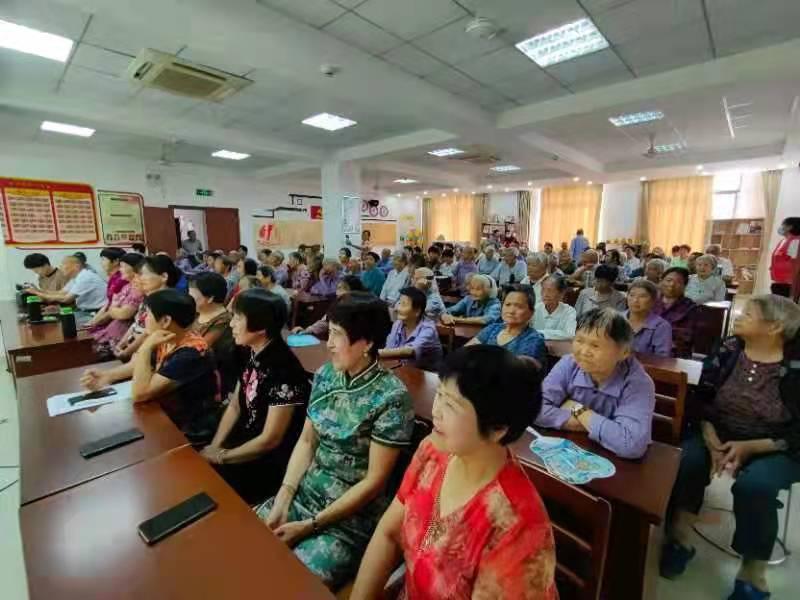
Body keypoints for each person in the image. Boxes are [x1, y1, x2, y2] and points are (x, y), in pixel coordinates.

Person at [351, 345, 558, 600]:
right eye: (439, 394)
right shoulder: (432, 450)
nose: (435, 411)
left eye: (451, 404)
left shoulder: (516, 524)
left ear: (497, 428)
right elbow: (388, 534)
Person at [254, 293, 414, 589]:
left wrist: (310, 526)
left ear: (366, 343)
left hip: (346, 521)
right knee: (243, 545)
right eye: (330, 332)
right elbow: (306, 443)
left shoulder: (391, 398)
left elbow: (375, 482)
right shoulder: (327, 376)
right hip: (304, 495)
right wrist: (284, 496)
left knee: (286, 583)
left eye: (337, 335)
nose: (328, 343)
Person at [660, 295, 800, 600]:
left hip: (777, 444)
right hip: (718, 429)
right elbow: (702, 394)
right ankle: (681, 537)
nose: (737, 316)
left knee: (756, 486)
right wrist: (709, 435)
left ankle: (753, 573)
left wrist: (753, 447)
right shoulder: (729, 348)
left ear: (775, 326)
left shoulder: (796, 364)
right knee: (686, 460)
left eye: (748, 313)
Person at [200, 289, 311, 504]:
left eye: (237, 318)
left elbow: (271, 440)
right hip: (244, 442)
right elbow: (235, 406)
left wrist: (221, 457)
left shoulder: (283, 369)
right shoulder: (248, 350)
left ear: (261, 327)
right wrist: (216, 446)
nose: (231, 324)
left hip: (268, 459)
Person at [81, 289, 221, 441]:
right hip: (164, 412)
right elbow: (139, 365)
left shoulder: (191, 353)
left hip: (188, 428)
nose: (143, 318)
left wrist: (145, 347)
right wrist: (107, 376)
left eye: (147, 314)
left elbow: (140, 394)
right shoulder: (170, 335)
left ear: (166, 321)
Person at [536, 308, 656, 459]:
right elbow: (533, 408)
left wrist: (578, 409)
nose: (584, 351)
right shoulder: (569, 363)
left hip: (616, 465)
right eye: (579, 340)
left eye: (595, 345)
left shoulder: (639, 383)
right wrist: (605, 428)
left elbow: (630, 444)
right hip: (573, 452)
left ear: (624, 352)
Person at [114, 255, 179, 360]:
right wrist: (122, 343)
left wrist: (127, 351)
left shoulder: (167, 301)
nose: (138, 279)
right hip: (136, 347)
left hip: (150, 351)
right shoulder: (150, 298)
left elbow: (149, 333)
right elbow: (136, 324)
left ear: (163, 277)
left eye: (142, 274)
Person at [467, 284, 546, 365]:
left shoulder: (533, 339)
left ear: (531, 312)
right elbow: (464, 353)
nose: (511, 311)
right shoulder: (492, 329)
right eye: (507, 305)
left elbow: (516, 372)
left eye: (519, 307)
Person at [188, 273, 237, 397]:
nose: (188, 299)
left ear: (209, 298)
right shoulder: (197, 313)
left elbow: (199, 349)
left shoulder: (223, 321)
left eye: (193, 296)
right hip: (190, 368)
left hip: (208, 377)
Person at [86, 253, 145, 356]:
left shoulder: (138, 289)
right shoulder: (126, 287)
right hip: (114, 331)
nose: (120, 269)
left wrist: (114, 310)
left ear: (135, 268)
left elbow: (123, 314)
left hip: (123, 335)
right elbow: (112, 307)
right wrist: (114, 310)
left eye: (123, 266)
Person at [380, 287, 443, 371]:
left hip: (427, 376)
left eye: (403, 304)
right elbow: (389, 349)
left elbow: (410, 351)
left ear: (417, 311)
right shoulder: (398, 323)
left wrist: (375, 353)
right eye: (399, 303)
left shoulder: (428, 329)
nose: (397, 308)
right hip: (404, 370)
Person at [26, 255, 107, 311]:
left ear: (76, 266)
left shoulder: (85, 277)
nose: (61, 267)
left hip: (96, 310)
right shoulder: (76, 277)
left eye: (63, 265)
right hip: (85, 310)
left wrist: (36, 292)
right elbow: (61, 293)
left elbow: (66, 299)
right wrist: (37, 290)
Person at [293, 275, 364, 339]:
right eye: (338, 288)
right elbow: (325, 321)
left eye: (344, 288)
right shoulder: (336, 304)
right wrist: (307, 330)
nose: (338, 292)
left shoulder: (360, 311)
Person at [653, 267, 698, 357]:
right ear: (661, 281)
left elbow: (685, 336)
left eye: (678, 282)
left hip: (674, 352)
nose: (671, 284)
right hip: (647, 348)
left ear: (684, 286)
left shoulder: (690, 307)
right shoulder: (651, 301)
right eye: (668, 280)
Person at [626, 280, 672, 357]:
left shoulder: (661, 326)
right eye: (631, 295)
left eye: (642, 296)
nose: (635, 300)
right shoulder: (616, 319)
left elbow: (662, 359)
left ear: (653, 301)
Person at [533, 275, 578, 341]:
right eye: (543, 290)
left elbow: (570, 334)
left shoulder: (569, 311)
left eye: (550, 290)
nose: (545, 294)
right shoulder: (535, 308)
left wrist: (539, 333)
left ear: (561, 293)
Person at [769, 216, 800, 298]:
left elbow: (795, 264)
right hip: (778, 282)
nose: (781, 227)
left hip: (788, 284)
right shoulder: (783, 241)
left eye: (783, 224)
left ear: (790, 227)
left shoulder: (795, 241)